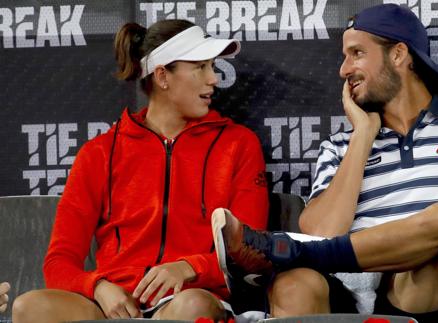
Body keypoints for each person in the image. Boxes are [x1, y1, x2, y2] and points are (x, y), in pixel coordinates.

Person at [211, 4, 438, 323]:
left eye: (356, 54)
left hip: (427, 287)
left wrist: (303, 251)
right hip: (353, 293)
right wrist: (363, 137)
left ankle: (290, 251)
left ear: (398, 54)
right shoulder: (340, 146)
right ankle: (292, 255)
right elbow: (322, 228)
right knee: (293, 283)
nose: (343, 70)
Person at [12, 19, 268, 323]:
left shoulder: (238, 144)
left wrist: (190, 267)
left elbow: (251, 251)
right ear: (162, 76)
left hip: (192, 297)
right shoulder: (98, 154)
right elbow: (58, 262)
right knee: (29, 307)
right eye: (200, 67)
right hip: (115, 305)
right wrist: (97, 287)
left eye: (212, 66)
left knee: (191, 305)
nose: (214, 78)